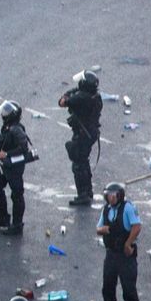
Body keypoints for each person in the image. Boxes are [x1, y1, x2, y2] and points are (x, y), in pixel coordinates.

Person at [60, 70, 103, 206]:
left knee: (78, 164)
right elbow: (76, 90)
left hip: (83, 134)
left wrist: (66, 95)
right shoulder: (95, 96)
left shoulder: (80, 98)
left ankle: (83, 194)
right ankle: (88, 190)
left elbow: (62, 102)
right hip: (91, 132)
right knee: (84, 161)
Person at [97, 182, 141, 301]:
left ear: (120, 196)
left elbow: (136, 226)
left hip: (125, 254)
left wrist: (128, 243)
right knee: (108, 283)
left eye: (114, 195)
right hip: (111, 253)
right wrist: (102, 230)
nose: (111, 198)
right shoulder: (106, 210)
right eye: (108, 195)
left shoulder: (127, 208)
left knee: (128, 285)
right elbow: (98, 229)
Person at [0, 100, 31, 236]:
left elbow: (24, 148)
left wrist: (7, 154)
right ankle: (3, 218)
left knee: (17, 194)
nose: (3, 115)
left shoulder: (17, 129)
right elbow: (3, 143)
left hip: (14, 167)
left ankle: (17, 224)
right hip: (5, 165)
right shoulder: (7, 127)